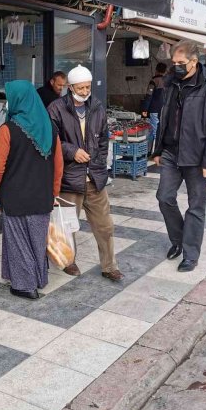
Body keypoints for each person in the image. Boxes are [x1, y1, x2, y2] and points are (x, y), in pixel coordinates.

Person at [152, 41, 206, 272]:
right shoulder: (171, 83)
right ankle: (178, 240)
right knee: (164, 198)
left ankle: (190, 254)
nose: (176, 67)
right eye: (174, 63)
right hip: (171, 153)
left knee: (196, 206)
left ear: (194, 62)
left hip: (197, 156)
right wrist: (157, 150)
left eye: (181, 63)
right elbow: (164, 118)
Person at [0, 80, 63, 300]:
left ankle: (25, 285)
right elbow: (59, 165)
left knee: (20, 242)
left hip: (15, 197)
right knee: (37, 241)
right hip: (42, 197)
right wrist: (54, 192)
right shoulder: (50, 127)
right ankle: (39, 279)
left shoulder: (7, 130)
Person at [48, 65, 123, 281]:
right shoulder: (56, 108)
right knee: (68, 226)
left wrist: (98, 165)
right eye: (80, 88)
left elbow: (102, 141)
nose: (84, 91)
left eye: (87, 87)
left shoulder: (97, 107)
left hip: (95, 177)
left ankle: (109, 266)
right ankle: (68, 261)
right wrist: (72, 151)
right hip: (70, 178)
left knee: (105, 226)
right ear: (70, 87)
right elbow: (51, 140)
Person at [141, 63, 167, 146]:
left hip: (154, 109)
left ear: (156, 70)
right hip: (165, 110)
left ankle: (152, 152)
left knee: (154, 131)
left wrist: (145, 109)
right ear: (165, 71)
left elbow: (149, 95)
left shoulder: (154, 81)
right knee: (163, 130)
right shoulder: (168, 81)